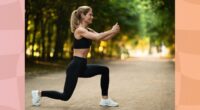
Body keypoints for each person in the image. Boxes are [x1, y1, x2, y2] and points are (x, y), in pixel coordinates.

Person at [32, 5, 120, 107]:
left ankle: (105, 100)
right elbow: (97, 37)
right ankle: (38, 93)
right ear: (82, 15)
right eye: (90, 14)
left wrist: (114, 32)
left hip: (83, 66)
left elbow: (102, 38)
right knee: (65, 96)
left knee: (104, 70)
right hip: (75, 66)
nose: (92, 17)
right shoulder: (79, 30)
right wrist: (112, 30)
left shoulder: (88, 30)